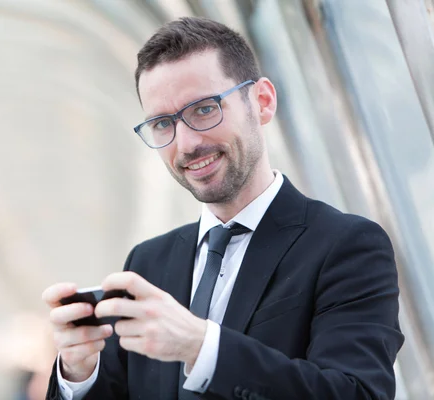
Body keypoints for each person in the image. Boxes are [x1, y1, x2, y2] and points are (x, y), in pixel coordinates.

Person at [42, 17, 404, 400]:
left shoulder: (346, 245)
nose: (186, 144)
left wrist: (202, 347)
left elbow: (357, 393)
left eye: (203, 109)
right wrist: (77, 374)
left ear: (262, 102)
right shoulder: (147, 263)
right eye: (163, 123)